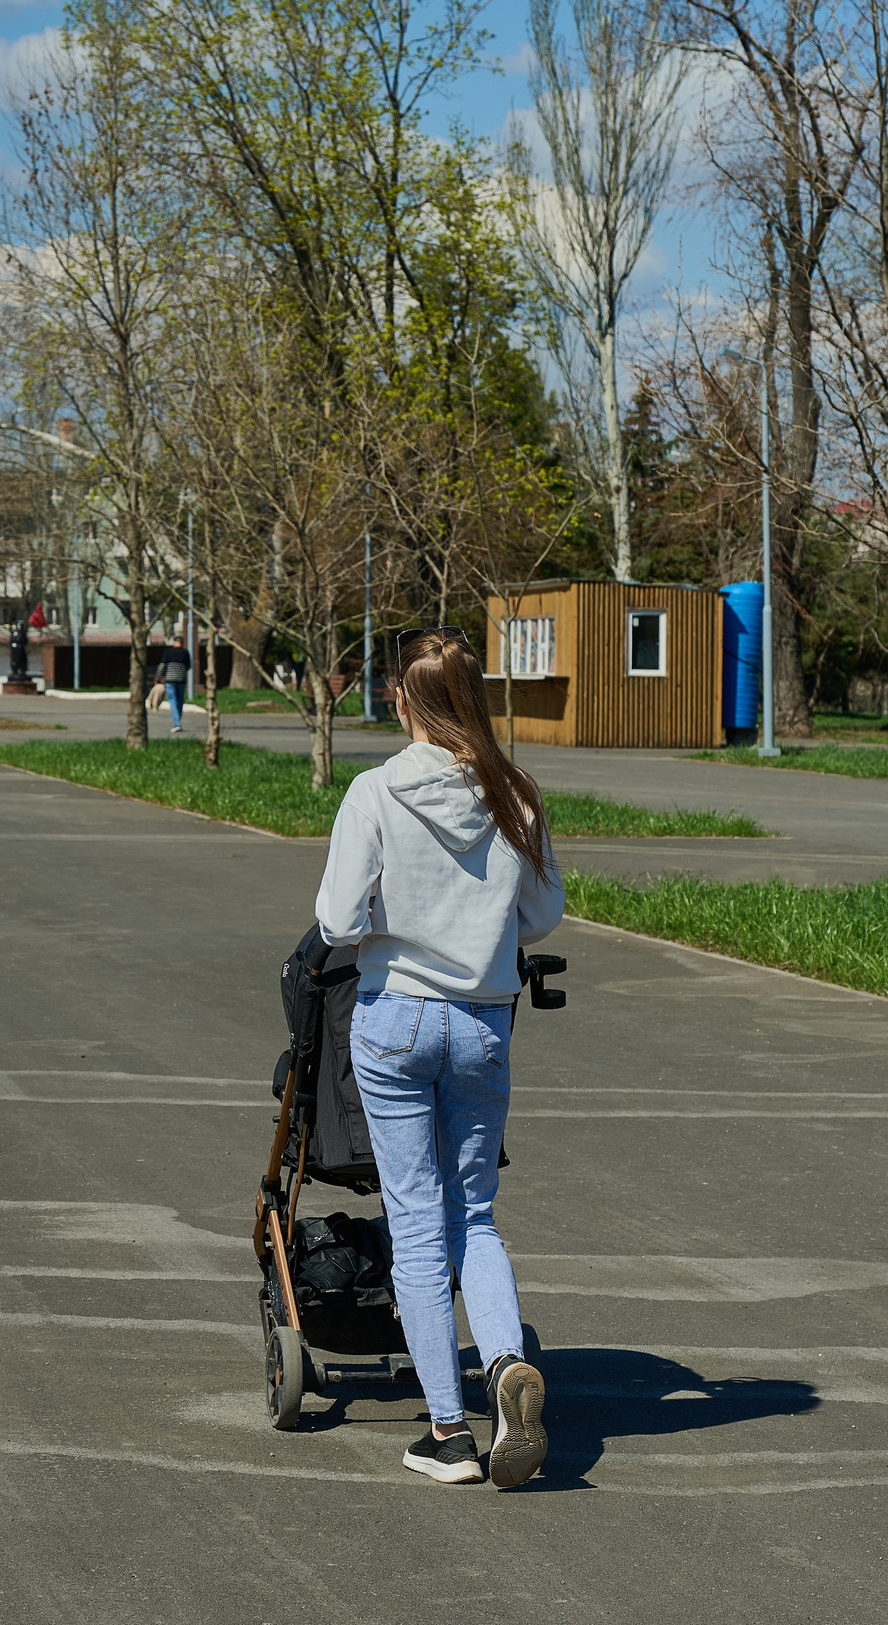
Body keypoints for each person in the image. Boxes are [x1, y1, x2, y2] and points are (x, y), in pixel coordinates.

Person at [313, 627, 564, 1488]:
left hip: (396, 1019)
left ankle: (449, 1433)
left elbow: (341, 921)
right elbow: (542, 915)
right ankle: (502, 1362)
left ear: (401, 701)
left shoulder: (373, 792)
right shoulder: (514, 792)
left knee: (417, 1223)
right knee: (476, 1214)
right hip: (483, 1023)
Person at [154, 641, 192, 733]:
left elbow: (162, 666)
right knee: (180, 702)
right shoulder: (185, 652)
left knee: (173, 701)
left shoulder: (168, 652)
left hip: (170, 681)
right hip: (181, 681)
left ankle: (177, 723)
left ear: (174, 642)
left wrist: (158, 678)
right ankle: (178, 720)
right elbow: (188, 666)